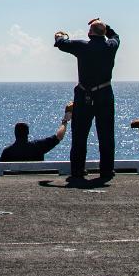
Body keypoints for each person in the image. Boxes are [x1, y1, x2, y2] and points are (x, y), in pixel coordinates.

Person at [54, 19, 120, 181]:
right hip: (104, 94)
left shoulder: (82, 46)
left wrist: (60, 35)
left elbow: (62, 43)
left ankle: (77, 170)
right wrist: (105, 26)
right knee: (106, 135)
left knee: (79, 135)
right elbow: (116, 36)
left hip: (84, 95)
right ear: (103, 33)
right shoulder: (110, 46)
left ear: (90, 33)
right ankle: (106, 171)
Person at [0, 102, 72, 162]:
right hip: (35, 178)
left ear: (15, 133)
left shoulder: (7, 152)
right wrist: (65, 120)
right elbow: (59, 136)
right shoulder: (38, 146)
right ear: (28, 133)